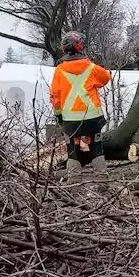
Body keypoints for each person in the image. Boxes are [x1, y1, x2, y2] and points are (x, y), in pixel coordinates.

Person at [49, 31, 112, 180]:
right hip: (93, 118)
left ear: (64, 49)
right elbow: (106, 78)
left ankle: (73, 185)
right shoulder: (91, 68)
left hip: (71, 122)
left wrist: (58, 116)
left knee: (73, 150)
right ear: (80, 47)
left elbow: (55, 96)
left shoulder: (59, 71)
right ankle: (103, 182)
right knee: (97, 149)